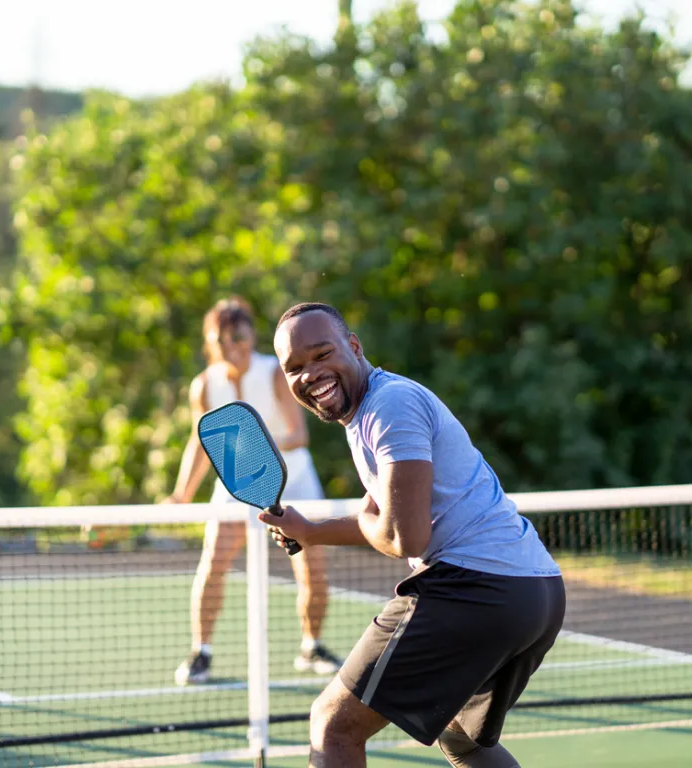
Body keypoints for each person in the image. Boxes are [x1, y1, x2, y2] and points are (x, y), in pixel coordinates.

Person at [259, 302, 566, 768]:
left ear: (355, 346)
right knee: (461, 738)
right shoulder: (368, 411)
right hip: (534, 591)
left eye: (322, 354)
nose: (310, 373)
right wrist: (311, 531)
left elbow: (406, 538)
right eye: (295, 367)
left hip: (476, 587)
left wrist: (365, 522)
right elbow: (384, 515)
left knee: (333, 724)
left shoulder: (389, 406)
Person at [165, 297, 342, 686]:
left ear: (250, 335)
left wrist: (256, 453)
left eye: (238, 335)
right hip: (234, 488)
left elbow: (298, 435)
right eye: (221, 338)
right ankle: (201, 652)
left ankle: (311, 646)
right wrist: (181, 494)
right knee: (213, 563)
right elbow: (200, 443)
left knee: (312, 569)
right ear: (211, 342)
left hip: (294, 481)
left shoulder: (275, 372)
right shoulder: (204, 385)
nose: (231, 344)